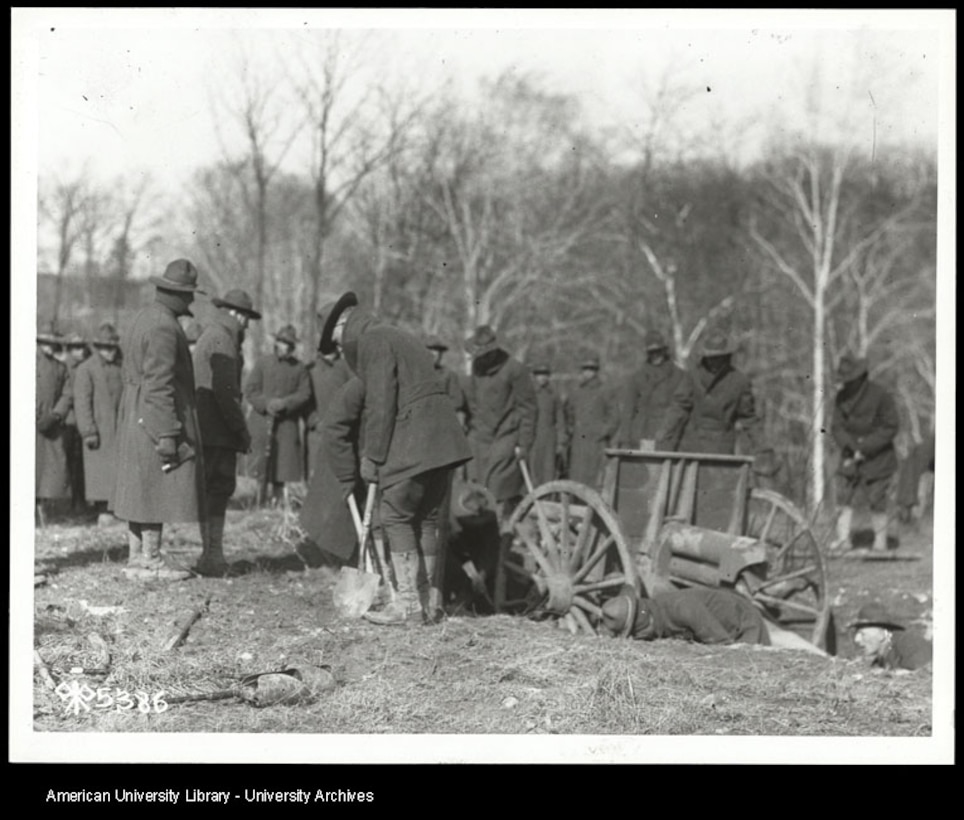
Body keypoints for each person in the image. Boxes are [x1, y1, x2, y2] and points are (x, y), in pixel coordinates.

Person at [317, 292, 473, 625]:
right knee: (428, 519)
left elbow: (381, 402)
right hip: (442, 441)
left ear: (343, 324)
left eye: (337, 341)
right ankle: (429, 604)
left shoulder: (373, 342)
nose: (342, 350)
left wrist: (373, 457)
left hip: (412, 440)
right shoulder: (399, 335)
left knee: (395, 515)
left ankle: (406, 607)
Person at [110, 259, 206, 582]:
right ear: (176, 295)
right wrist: (167, 432)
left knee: (139, 486)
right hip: (153, 415)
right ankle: (150, 560)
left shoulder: (145, 318)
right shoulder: (165, 326)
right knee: (155, 485)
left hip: (136, 413)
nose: (192, 301)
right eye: (189, 294)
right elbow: (159, 383)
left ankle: (136, 557)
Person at [192, 288, 261, 576]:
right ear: (236, 314)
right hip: (217, 433)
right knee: (217, 491)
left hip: (208, 431)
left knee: (210, 492)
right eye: (246, 318)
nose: (247, 325)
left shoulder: (214, 334)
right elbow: (226, 392)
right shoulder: (223, 339)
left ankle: (210, 554)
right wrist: (241, 430)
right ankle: (212, 557)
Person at [461, 325, 537, 522]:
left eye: (486, 353)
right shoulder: (477, 368)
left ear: (494, 351)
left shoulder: (515, 369)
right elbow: (474, 402)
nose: (482, 358)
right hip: (479, 436)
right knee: (473, 488)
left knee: (497, 487)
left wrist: (524, 443)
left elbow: (528, 409)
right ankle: (475, 536)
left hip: (506, 435)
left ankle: (500, 533)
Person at [829, 353, 900, 554]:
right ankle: (843, 540)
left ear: (860, 377)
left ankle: (880, 542)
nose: (847, 384)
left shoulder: (880, 395)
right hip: (850, 455)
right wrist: (851, 448)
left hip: (878, 457)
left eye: (850, 380)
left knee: (877, 498)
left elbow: (891, 426)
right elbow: (836, 427)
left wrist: (865, 447)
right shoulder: (841, 398)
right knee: (844, 495)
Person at [243, 324, 311, 506]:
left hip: (286, 424)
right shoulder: (263, 363)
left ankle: (277, 503)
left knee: (282, 466)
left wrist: (286, 404)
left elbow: (305, 394)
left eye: (288, 344)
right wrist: (266, 404)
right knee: (260, 465)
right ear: (276, 343)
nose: (284, 347)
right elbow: (250, 390)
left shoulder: (300, 368)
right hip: (262, 421)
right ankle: (258, 502)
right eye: (281, 342)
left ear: (292, 347)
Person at [72, 322, 124, 525]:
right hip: (99, 431)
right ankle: (103, 511)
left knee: (118, 471)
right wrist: (88, 431)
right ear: (98, 347)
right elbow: (81, 402)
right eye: (105, 347)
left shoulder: (121, 367)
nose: (109, 352)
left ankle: (116, 509)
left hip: (118, 429)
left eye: (112, 347)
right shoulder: (87, 369)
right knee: (100, 471)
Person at [600, 585, 771, 645]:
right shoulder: (659, 608)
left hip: (745, 624)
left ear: (647, 625)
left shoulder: (683, 609)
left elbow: (724, 646)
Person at [617, 329, 685, 451]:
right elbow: (628, 410)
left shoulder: (678, 376)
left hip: (668, 436)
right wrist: (625, 440)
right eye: (651, 352)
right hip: (642, 435)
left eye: (658, 351)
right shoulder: (638, 377)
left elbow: (683, 408)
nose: (655, 356)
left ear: (664, 351)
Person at [36, 321, 72, 519]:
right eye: (45, 342)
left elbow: (68, 393)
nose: (49, 346)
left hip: (51, 427)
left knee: (50, 474)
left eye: (52, 343)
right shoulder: (27, 360)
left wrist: (56, 414)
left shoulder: (60, 367)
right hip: (30, 426)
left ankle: (45, 513)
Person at [565, 354, 619, 486]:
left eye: (592, 369)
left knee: (595, 480)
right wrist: (572, 430)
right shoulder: (576, 392)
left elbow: (615, 417)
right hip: (579, 443)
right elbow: (568, 413)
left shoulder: (605, 391)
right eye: (586, 369)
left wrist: (602, 432)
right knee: (577, 479)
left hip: (597, 444)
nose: (588, 372)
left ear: (597, 371)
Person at [303, 347, 352, 481]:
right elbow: (304, 401)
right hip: (316, 433)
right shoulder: (309, 370)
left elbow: (354, 399)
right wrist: (315, 421)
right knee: (315, 476)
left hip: (342, 432)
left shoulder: (347, 368)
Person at [849, 602, 932, 671]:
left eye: (863, 634)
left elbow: (920, 672)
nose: (856, 639)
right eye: (856, 633)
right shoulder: (884, 652)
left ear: (882, 634)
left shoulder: (910, 643)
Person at [60, 331, 90, 512]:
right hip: (70, 422)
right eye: (76, 348)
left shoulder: (86, 366)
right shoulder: (66, 367)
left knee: (81, 464)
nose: (80, 351)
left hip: (82, 422)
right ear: (69, 349)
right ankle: (73, 503)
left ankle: (81, 502)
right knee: (71, 464)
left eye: (81, 347)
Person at [529, 362, 568, 484]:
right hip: (532, 436)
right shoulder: (529, 394)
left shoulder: (553, 395)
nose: (542, 378)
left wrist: (561, 441)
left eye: (545, 374)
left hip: (550, 437)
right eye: (539, 374)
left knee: (549, 470)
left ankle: (548, 499)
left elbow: (560, 418)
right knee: (533, 469)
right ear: (534, 376)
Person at [424, 334, 468, 418]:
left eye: (437, 351)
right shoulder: (415, 374)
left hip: (440, 418)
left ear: (440, 355)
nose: (433, 354)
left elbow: (457, 402)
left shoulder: (448, 375)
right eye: (430, 350)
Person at [896, 432, 935, 525]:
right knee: (912, 487)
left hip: (924, 465)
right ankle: (909, 515)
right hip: (915, 464)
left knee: (921, 490)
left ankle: (914, 516)